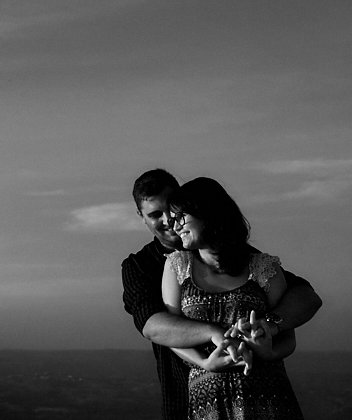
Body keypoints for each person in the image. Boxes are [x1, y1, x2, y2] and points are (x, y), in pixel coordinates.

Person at [121, 169, 321, 420]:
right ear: (141, 217)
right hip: (189, 399)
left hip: (264, 398)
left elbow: (303, 298)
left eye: (174, 211)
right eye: (155, 214)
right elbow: (153, 325)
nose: (170, 221)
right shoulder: (147, 266)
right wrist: (214, 337)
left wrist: (269, 326)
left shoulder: (252, 262)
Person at [162, 177, 306, 419]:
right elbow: (172, 334)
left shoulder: (262, 267)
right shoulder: (178, 266)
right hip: (209, 402)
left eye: (180, 217)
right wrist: (204, 362)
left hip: (267, 400)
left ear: (206, 212)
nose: (175, 226)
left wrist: (268, 352)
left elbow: (288, 337)